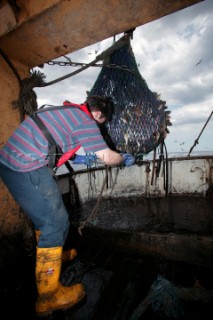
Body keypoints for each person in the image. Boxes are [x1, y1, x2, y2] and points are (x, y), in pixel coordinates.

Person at [0, 95, 135, 317]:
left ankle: (53, 255)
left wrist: (79, 159)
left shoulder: (67, 112)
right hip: (25, 166)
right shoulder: (86, 121)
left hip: (11, 163)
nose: (99, 127)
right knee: (56, 222)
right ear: (99, 115)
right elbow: (108, 157)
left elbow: (53, 140)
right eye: (102, 123)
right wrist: (123, 158)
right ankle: (48, 295)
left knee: (44, 219)